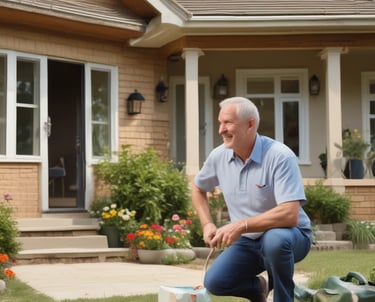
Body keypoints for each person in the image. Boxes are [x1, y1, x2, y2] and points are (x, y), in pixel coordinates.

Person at [192, 96, 312, 302]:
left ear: (250, 125)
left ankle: (282, 298)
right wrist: (207, 223)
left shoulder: (280, 156)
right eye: (220, 122)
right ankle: (258, 289)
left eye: (228, 122)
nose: (221, 129)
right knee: (215, 281)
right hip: (249, 240)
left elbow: (290, 214)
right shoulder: (219, 156)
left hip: (291, 236)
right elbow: (197, 187)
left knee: (274, 240)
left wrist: (241, 225)